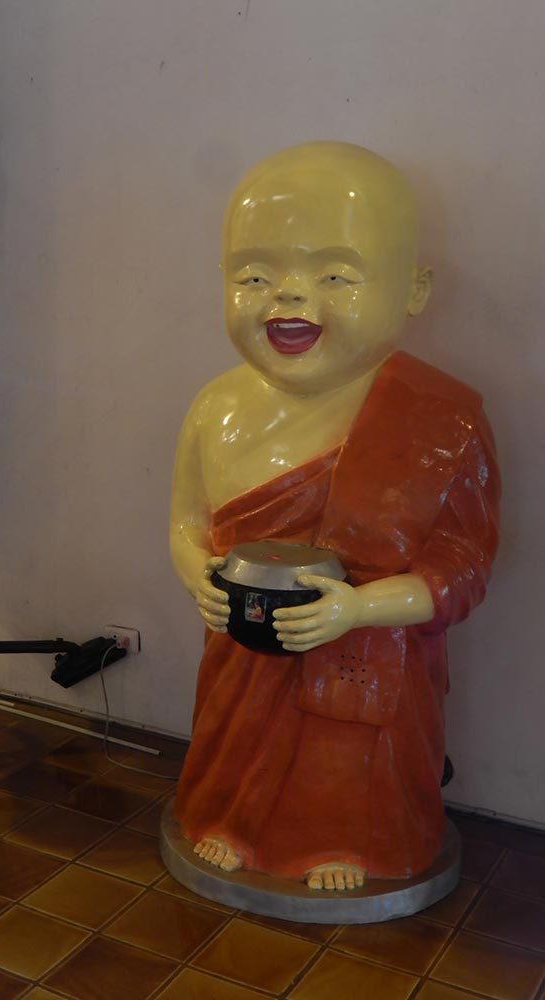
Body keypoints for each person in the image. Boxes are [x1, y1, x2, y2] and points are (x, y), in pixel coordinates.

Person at [169, 142, 500, 891]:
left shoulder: (442, 420)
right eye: (254, 276)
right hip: (243, 650)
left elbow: (463, 568)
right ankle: (230, 818)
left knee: (350, 759)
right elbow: (185, 526)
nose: (289, 299)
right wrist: (200, 579)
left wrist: (358, 608)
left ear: (413, 289)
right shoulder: (216, 408)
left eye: (335, 276)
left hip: (374, 660)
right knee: (233, 744)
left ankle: (353, 840)